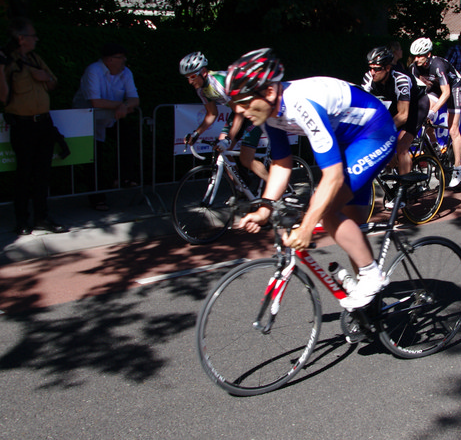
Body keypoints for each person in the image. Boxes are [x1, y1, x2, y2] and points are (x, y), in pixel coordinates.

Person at [230, 49, 397, 313]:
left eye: (244, 101)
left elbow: (333, 176)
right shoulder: (268, 114)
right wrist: (264, 209)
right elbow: (281, 164)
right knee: (350, 227)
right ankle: (372, 308)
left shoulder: (300, 105)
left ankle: (371, 276)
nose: (238, 110)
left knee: (327, 210)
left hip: (374, 132)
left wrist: (307, 226)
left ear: (269, 92)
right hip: (347, 142)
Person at [0, 17, 65, 235]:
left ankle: (42, 217)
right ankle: (21, 220)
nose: (36, 39)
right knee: (24, 174)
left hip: (44, 123)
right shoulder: (6, 61)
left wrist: (44, 77)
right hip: (23, 126)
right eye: (33, 35)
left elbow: (53, 83)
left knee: (43, 173)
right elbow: (2, 97)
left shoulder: (35, 58)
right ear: (21, 38)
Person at [179, 51, 266, 184]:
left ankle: (278, 187)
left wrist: (228, 139)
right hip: (240, 110)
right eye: (187, 78)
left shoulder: (219, 82)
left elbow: (239, 112)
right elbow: (212, 114)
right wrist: (196, 134)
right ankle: (241, 187)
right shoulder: (201, 89)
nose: (190, 81)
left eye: (192, 76)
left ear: (203, 72)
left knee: (246, 159)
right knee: (222, 151)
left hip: (256, 110)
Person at [72, 42, 141, 210]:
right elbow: (96, 102)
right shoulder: (93, 71)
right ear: (109, 60)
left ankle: (123, 177)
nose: (124, 60)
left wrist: (124, 105)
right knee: (94, 158)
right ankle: (97, 198)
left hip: (111, 117)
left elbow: (135, 99)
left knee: (128, 138)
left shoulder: (126, 72)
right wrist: (122, 105)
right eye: (120, 57)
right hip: (88, 120)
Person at [409, 37, 461, 188]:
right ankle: (435, 147)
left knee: (453, 129)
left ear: (428, 54)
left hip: (452, 87)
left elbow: (446, 93)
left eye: (419, 56)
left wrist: (433, 111)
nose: (416, 59)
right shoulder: (414, 67)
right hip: (434, 88)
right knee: (425, 118)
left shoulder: (437, 65)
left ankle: (458, 167)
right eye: (414, 56)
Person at [362, 45, 427, 175]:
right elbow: (364, 108)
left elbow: (403, 115)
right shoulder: (368, 78)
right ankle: (398, 168)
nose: (372, 72)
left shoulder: (400, 79)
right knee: (384, 141)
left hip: (416, 105)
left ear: (387, 68)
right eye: (370, 68)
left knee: (402, 146)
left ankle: (405, 185)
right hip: (395, 103)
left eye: (377, 69)